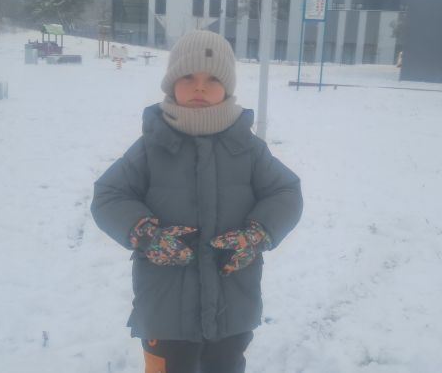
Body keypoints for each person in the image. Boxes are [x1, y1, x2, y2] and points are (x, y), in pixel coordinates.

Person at [91, 30, 303, 373]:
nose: (200, 87)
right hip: (164, 310)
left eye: (212, 79)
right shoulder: (152, 146)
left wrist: (258, 233)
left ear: (227, 87)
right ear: (172, 83)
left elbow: (286, 192)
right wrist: (145, 234)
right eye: (188, 77)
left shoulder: (247, 148)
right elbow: (109, 195)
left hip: (232, 305)